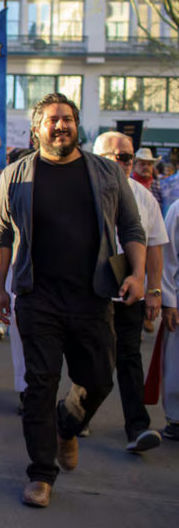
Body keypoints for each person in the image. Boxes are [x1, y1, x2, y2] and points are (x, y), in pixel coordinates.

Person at [0, 94, 146, 508]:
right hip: (36, 296)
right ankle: (41, 474)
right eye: (53, 120)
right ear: (37, 127)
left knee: (98, 380)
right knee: (39, 385)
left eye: (69, 119)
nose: (62, 126)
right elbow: (2, 233)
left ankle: (67, 424)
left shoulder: (107, 172)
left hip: (94, 294)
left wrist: (137, 273)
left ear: (77, 125)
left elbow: (131, 226)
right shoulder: (16, 175)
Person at [93, 131, 166, 453]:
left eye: (129, 157)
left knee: (129, 357)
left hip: (129, 291)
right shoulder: (84, 190)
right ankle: (74, 415)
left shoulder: (144, 196)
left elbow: (154, 247)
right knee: (94, 361)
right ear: (99, 158)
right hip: (90, 292)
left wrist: (154, 290)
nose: (126, 163)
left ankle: (138, 427)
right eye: (119, 156)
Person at [156, 201, 179, 440]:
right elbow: (168, 256)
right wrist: (169, 300)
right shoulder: (178, 209)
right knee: (176, 359)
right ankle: (176, 417)